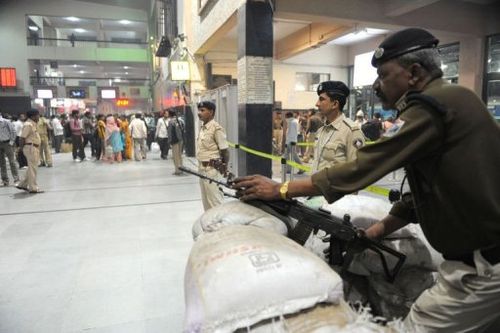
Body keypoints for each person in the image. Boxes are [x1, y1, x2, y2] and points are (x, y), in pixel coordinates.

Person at [233, 28, 500, 333]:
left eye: (384, 76)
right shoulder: (449, 101)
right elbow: (425, 195)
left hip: (483, 269)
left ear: (413, 73)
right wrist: (377, 230)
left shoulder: (431, 107)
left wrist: (282, 188)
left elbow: (365, 164)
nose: (376, 86)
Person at [311, 81, 364, 173]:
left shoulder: (351, 132)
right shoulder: (321, 131)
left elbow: (357, 170)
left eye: (321, 99)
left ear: (335, 104)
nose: (317, 104)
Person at [196, 101, 229, 210]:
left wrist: (224, 166)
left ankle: (221, 225)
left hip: (212, 169)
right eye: (199, 110)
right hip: (202, 168)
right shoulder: (203, 128)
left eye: (202, 110)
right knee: (206, 201)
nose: (199, 113)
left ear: (211, 112)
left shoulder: (216, 128)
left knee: (215, 201)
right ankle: (210, 223)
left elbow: (225, 150)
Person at [16, 109, 43, 193]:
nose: (39, 116)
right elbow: (22, 137)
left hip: (33, 148)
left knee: (31, 168)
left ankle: (22, 184)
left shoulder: (32, 124)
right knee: (33, 169)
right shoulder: (28, 125)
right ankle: (33, 188)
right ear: (33, 116)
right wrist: (21, 149)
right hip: (30, 148)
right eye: (38, 115)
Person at [0, 111, 19, 186]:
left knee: (12, 161)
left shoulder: (6, 122)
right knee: (2, 163)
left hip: (7, 143)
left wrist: (11, 142)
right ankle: (5, 180)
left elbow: (13, 132)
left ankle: (16, 179)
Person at [167, 109, 184, 175]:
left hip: (174, 141)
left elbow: (170, 132)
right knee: (180, 155)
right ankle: (182, 168)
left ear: (170, 114)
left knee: (175, 156)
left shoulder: (171, 122)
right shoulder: (180, 120)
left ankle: (177, 170)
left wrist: (169, 141)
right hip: (181, 139)